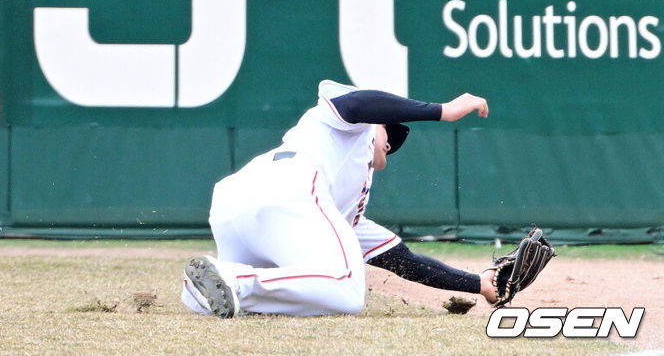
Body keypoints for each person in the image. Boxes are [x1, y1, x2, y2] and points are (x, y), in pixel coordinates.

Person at [182, 80, 497, 318]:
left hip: (239, 202)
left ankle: (203, 292)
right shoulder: (354, 124)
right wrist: (443, 111)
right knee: (347, 288)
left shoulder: (343, 210)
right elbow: (362, 102)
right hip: (290, 183)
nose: (391, 143)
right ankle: (237, 280)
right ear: (378, 123)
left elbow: (405, 261)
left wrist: (479, 284)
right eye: (391, 132)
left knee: (285, 294)